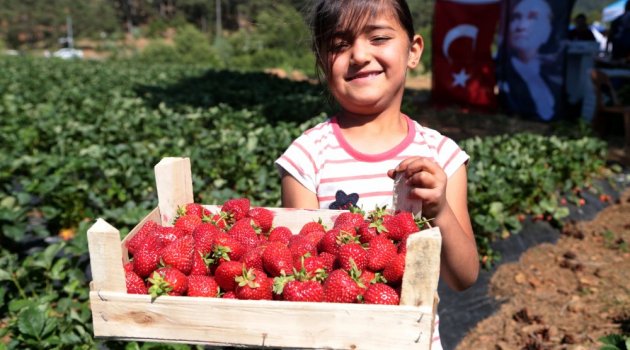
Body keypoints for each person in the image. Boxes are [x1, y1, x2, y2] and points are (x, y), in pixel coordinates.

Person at [275, 1, 479, 348]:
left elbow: (464, 276)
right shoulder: (308, 157)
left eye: (378, 38)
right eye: (339, 45)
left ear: (413, 51)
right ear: (323, 60)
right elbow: (302, 268)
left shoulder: (442, 156)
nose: (358, 55)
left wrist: (439, 210)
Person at [498, 0, 563, 121]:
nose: (521, 26)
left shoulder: (554, 80)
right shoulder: (502, 74)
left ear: (548, 29)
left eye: (533, 18)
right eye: (515, 18)